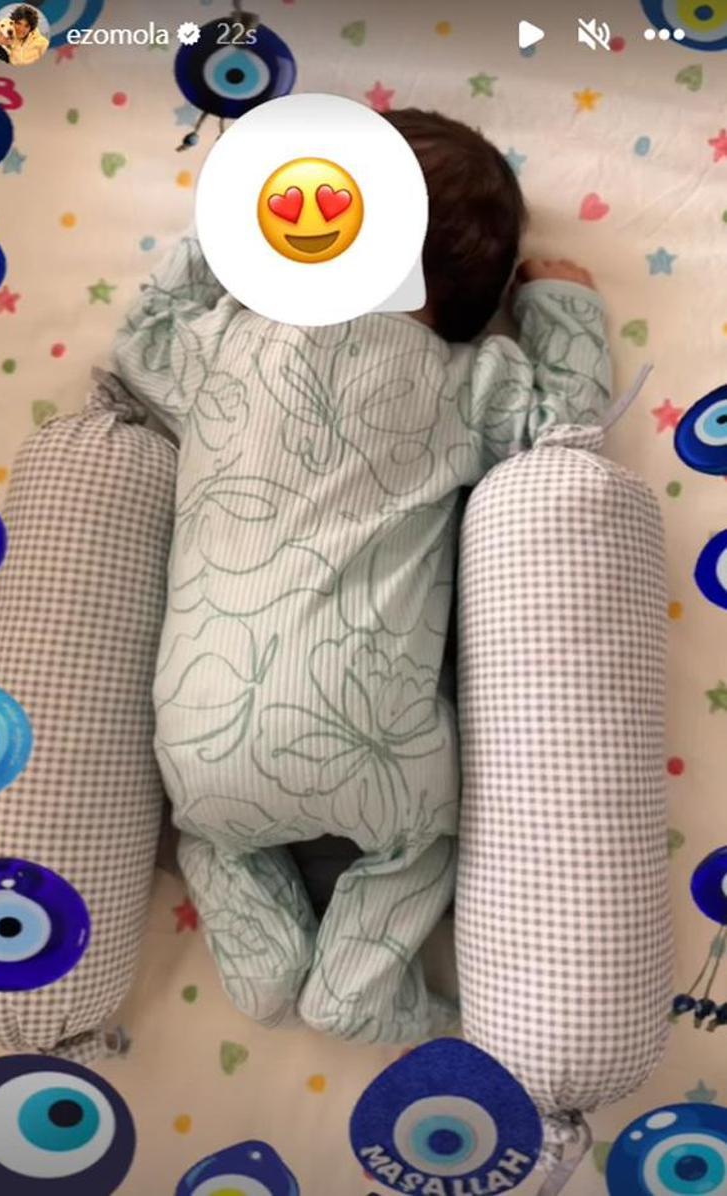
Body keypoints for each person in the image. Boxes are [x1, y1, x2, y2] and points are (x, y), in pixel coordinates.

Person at [111, 108, 611, 1044]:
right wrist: (562, 306)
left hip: (198, 738)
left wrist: (214, 242)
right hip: (374, 743)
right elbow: (569, 425)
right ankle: (358, 987)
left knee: (214, 834)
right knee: (422, 841)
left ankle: (260, 953)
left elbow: (140, 338)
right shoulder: (468, 382)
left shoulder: (220, 345)